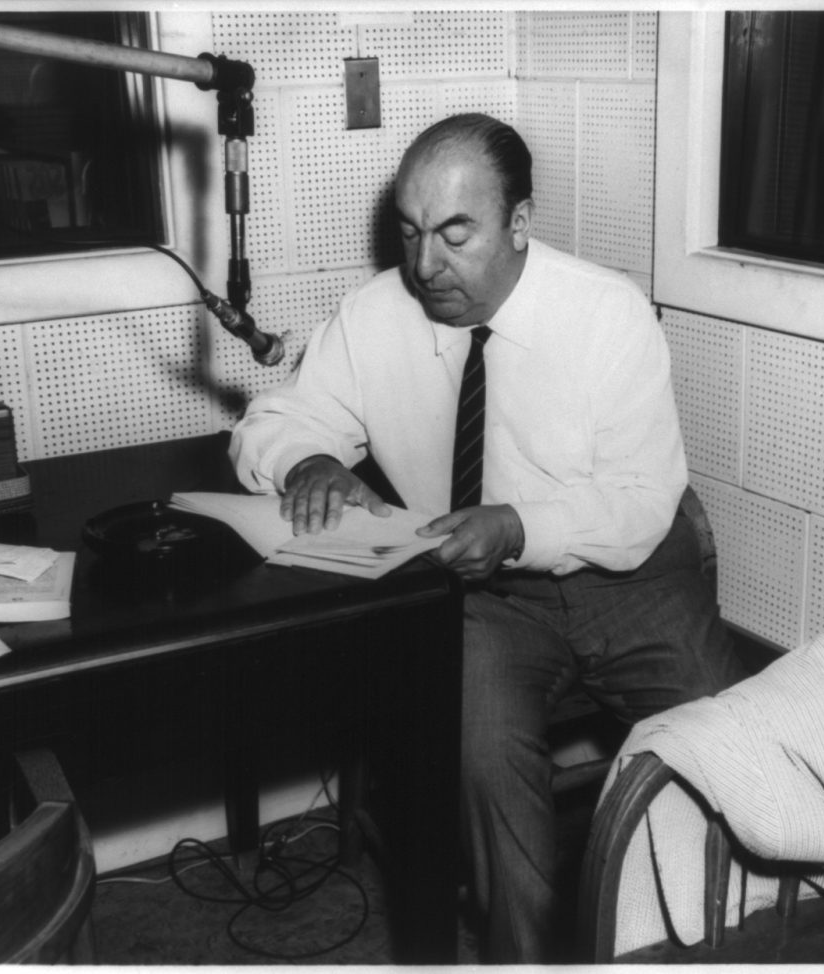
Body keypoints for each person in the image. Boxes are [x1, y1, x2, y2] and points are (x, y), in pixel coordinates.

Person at [228, 113, 744, 963]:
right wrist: (308, 460)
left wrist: (517, 527)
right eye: (409, 232)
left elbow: (644, 500)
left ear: (520, 223)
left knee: (742, 759)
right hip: (484, 602)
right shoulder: (375, 317)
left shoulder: (607, 313)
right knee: (480, 761)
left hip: (634, 582)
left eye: (455, 234)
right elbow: (268, 423)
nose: (424, 265)